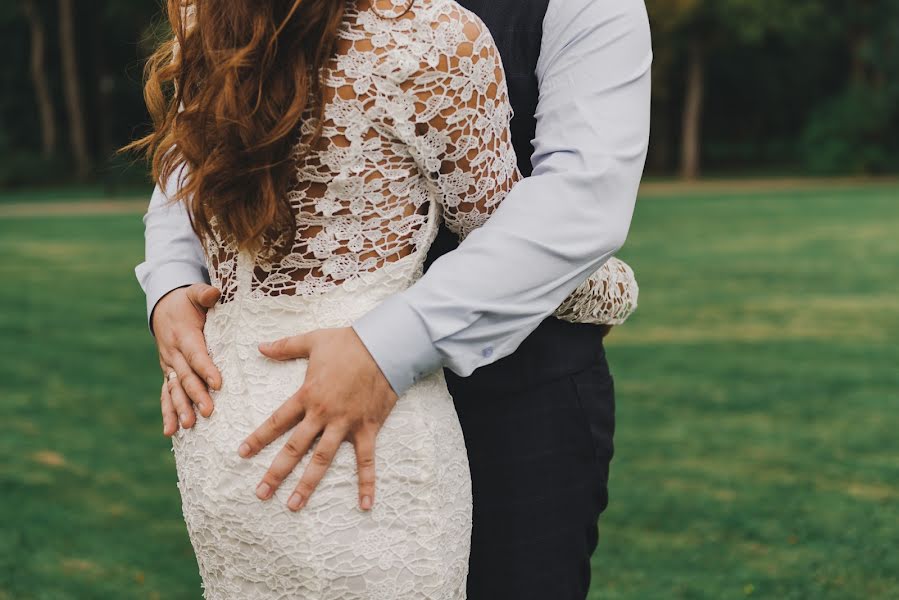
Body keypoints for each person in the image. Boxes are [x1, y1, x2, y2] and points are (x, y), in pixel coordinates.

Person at [137, 0, 651, 597]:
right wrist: (172, 278)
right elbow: (196, 148)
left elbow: (582, 198)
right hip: (292, 393)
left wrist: (387, 346)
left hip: (522, 397)